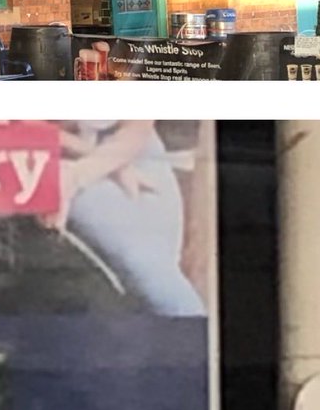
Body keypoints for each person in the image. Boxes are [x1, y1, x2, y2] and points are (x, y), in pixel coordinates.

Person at [53, 121, 206, 317]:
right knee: (145, 271)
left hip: (128, 148)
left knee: (156, 275)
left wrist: (98, 165)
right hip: (54, 154)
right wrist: (85, 172)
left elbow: (138, 127)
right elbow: (19, 128)